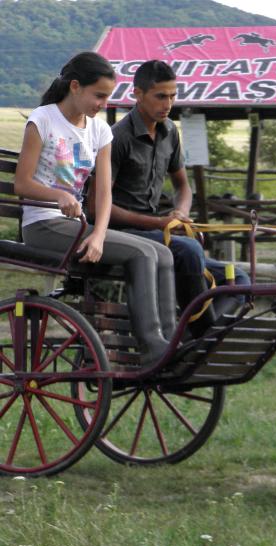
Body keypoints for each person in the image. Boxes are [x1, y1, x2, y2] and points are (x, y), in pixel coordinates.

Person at [14, 51, 176, 365]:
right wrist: (57, 196)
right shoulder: (44, 120)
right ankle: (152, 347)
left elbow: (104, 194)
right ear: (75, 87)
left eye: (108, 97)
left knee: (165, 253)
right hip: (44, 226)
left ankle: (169, 341)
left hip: (78, 228)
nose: (103, 103)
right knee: (143, 253)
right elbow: (22, 184)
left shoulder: (100, 131)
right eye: (98, 95)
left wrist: (100, 235)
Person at [88, 59, 250, 338]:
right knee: (189, 250)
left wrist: (180, 213)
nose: (168, 104)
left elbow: (183, 187)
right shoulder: (118, 138)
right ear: (138, 94)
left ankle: (192, 338)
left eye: (173, 96)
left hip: (155, 231)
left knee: (239, 279)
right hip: (119, 233)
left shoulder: (170, 133)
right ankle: (201, 337)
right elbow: (95, 207)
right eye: (160, 96)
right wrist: (158, 221)